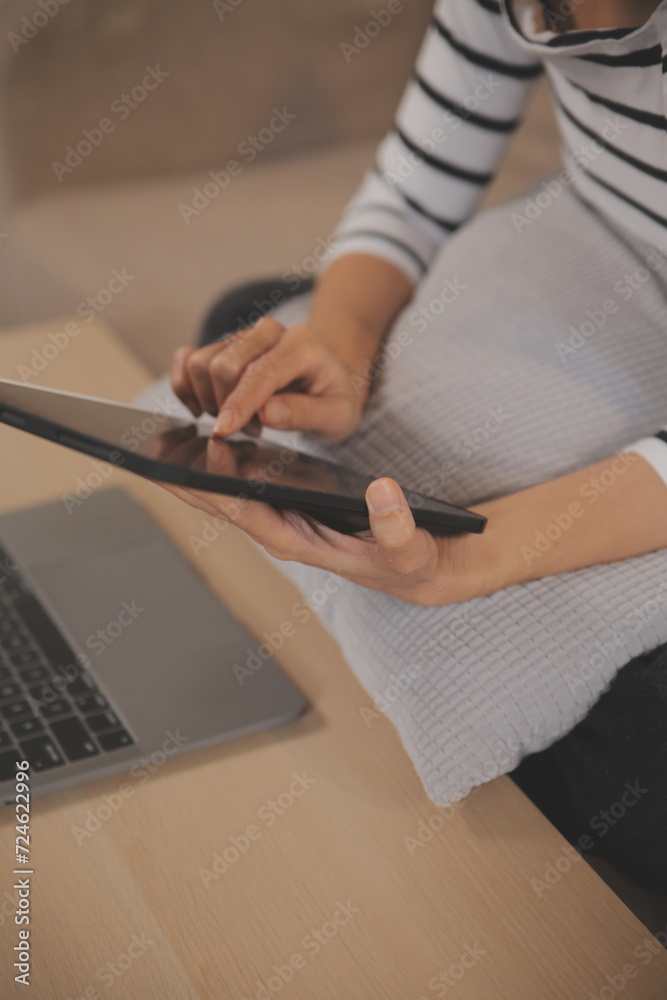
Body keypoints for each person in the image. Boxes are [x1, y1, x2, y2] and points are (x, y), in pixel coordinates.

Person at [161, 0, 667, 892]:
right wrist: (339, 345)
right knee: (250, 331)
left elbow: (483, 551)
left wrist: (476, 556)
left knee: (639, 744)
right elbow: (415, 181)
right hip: (607, 251)